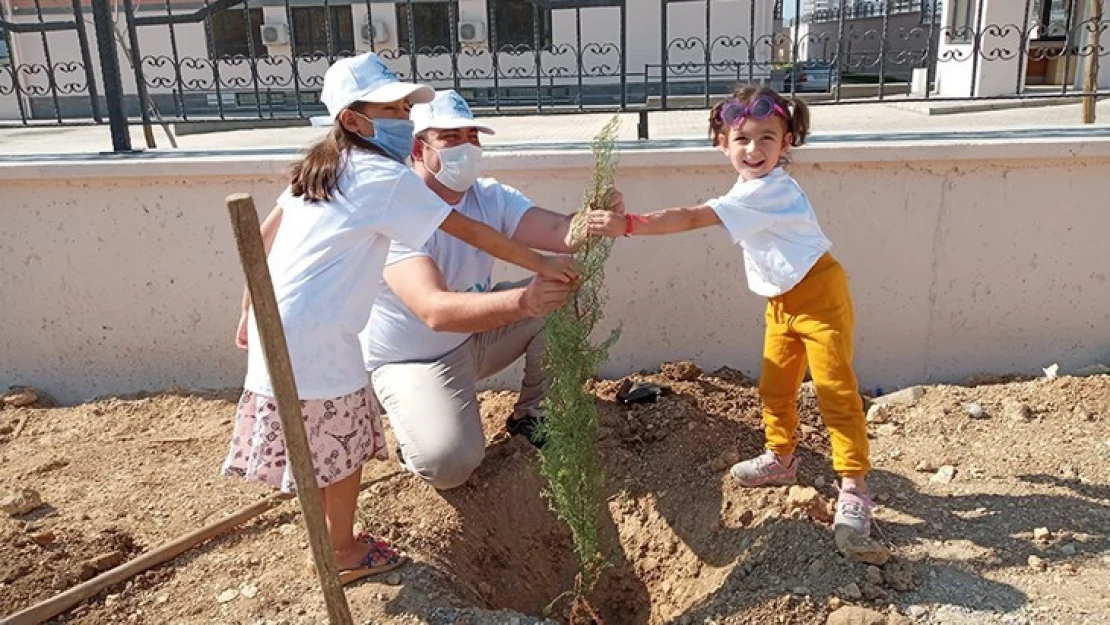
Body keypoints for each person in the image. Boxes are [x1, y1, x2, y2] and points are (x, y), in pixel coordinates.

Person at [223, 54, 576, 585]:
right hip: (322, 339)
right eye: (390, 107)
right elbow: (467, 232)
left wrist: (251, 303)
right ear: (351, 119)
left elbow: (268, 230)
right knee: (339, 454)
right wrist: (541, 267)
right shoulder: (383, 177)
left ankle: (334, 541)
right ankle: (341, 550)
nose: (401, 115)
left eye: (403, 106)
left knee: (320, 447)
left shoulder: (326, 166)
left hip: (292, 327)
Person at [587, 85, 873, 538]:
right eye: (742, 138)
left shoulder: (770, 191)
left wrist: (629, 225)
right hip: (783, 302)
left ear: (787, 143)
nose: (754, 149)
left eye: (767, 138)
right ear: (723, 143)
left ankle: (854, 488)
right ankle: (781, 459)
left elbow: (691, 216)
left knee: (834, 391)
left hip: (820, 298)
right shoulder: (747, 187)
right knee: (775, 387)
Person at [361, 89, 624, 490]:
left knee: (568, 299)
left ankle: (534, 415)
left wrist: (594, 217)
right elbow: (435, 311)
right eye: (450, 138)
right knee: (448, 464)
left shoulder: (489, 197)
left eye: (472, 136)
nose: (466, 147)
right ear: (418, 147)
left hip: (476, 339)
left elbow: (558, 232)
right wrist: (525, 301)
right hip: (413, 361)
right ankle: (413, 439)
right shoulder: (394, 214)